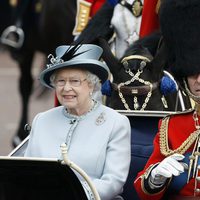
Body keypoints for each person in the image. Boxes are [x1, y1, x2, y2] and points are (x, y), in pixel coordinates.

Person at [24, 43, 131, 200]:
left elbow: (113, 182)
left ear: (91, 85)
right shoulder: (42, 120)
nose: (66, 88)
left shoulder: (116, 123)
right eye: (60, 81)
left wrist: (71, 195)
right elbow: (26, 173)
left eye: (74, 81)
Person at [134, 0, 200, 199]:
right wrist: (155, 178)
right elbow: (142, 187)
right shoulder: (172, 125)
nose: (198, 80)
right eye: (191, 73)